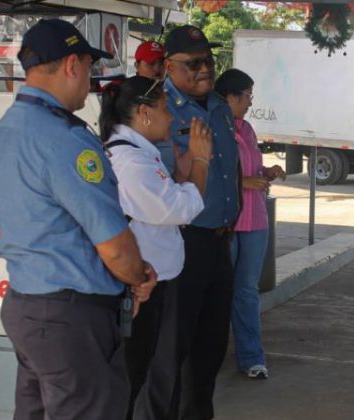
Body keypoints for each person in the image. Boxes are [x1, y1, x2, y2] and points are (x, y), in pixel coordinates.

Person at [0, 19, 157, 419]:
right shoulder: (65, 139)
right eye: (89, 67)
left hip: (26, 307)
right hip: (70, 317)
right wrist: (138, 276)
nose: (91, 80)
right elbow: (115, 247)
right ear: (72, 65)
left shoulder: (6, 128)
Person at [99, 76, 213, 419]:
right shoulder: (133, 163)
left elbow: (160, 205)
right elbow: (182, 209)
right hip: (141, 286)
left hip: (153, 280)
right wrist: (201, 161)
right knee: (135, 376)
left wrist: (181, 177)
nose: (171, 118)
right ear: (144, 113)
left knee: (144, 371)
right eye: (165, 108)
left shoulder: (138, 155)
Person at [160, 25, 240, 420]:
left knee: (211, 348)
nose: (205, 69)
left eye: (209, 60)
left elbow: (231, 167)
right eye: (193, 64)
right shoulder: (159, 109)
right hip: (181, 242)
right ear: (169, 66)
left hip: (219, 241)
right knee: (172, 351)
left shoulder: (221, 108)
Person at [215, 68, 286, 380]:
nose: (249, 103)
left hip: (255, 220)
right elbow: (206, 176)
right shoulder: (212, 127)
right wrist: (242, 182)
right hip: (228, 221)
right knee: (220, 290)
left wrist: (267, 172)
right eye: (247, 97)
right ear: (230, 97)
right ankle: (210, 355)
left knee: (246, 290)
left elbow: (252, 168)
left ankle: (252, 357)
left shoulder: (247, 128)